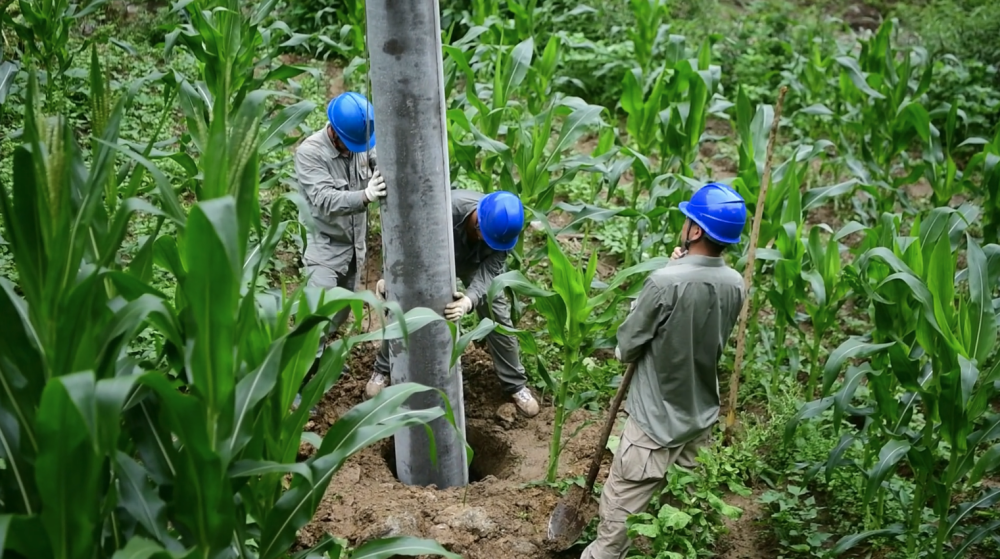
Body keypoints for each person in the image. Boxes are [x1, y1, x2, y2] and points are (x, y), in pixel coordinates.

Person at [581, 183, 747, 559]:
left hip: (653, 425)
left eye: (688, 219)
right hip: (700, 417)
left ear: (697, 230)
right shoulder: (736, 284)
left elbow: (627, 346)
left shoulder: (664, 282)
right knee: (683, 522)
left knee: (615, 531)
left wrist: (669, 274)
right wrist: (677, 269)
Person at [366, 189, 541, 418]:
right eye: (483, 234)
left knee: (498, 318)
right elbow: (407, 241)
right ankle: (383, 368)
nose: (483, 239)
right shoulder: (444, 211)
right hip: (435, 257)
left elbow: (491, 270)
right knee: (404, 308)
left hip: (477, 264)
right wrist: (390, 277)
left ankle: (516, 384)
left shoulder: (504, 233)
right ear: (478, 219)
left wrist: (469, 299)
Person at [293, 92, 385, 407]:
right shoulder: (310, 153)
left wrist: (378, 165)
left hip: (354, 245)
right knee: (317, 315)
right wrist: (366, 195)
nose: (358, 150)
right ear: (334, 131)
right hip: (325, 244)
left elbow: (375, 156)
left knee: (341, 311)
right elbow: (324, 199)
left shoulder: (361, 139)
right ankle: (297, 383)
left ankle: (320, 362)